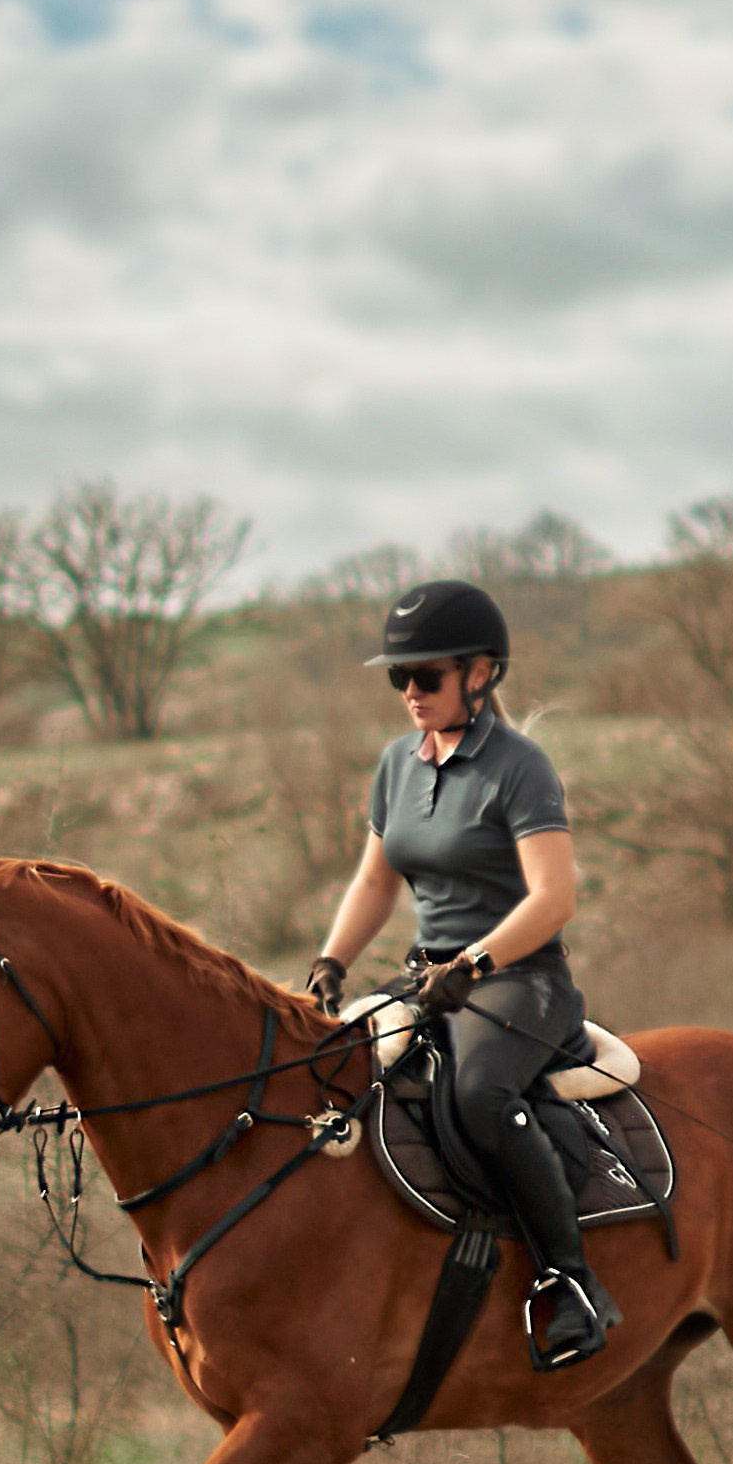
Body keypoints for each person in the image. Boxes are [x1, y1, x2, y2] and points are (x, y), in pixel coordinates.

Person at [306, 578, 621, 1368]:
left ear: (480, 674)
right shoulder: (396, 766)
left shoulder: (519, 767)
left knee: (479, 1091)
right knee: (323, 1070)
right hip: (427, 977)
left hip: (522, 980)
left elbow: (555, 898)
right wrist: (330, 963)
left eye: (427, 676)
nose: (410, 692)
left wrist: (474, 961)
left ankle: (570, 1278)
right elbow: (375, 881)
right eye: (397, 678)